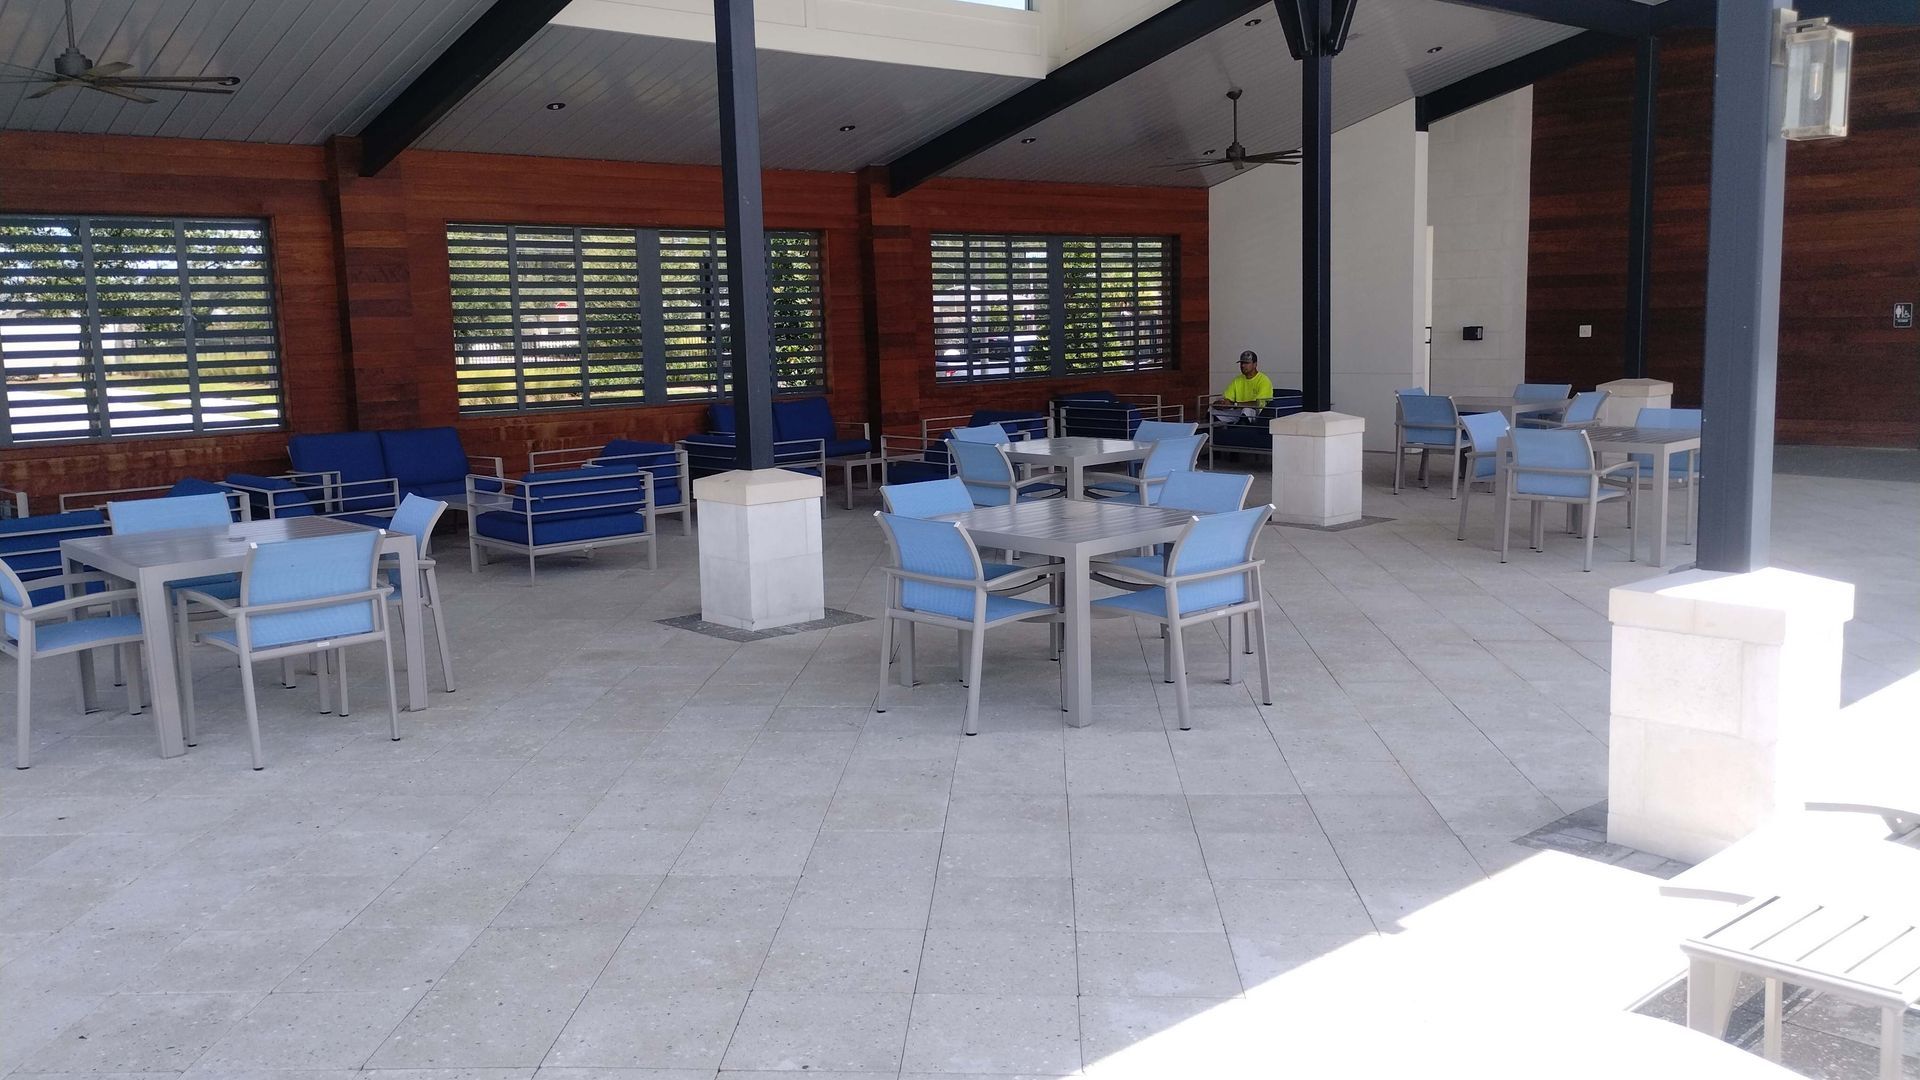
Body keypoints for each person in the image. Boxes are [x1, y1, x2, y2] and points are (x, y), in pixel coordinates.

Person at [1212, 350, 1273, 423]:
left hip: (1258, 413)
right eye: (1241, 363)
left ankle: (1240, 431)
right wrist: (1221, 404)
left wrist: (1235, 404)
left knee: (1246, 410)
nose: (1242, 365)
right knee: (1212, 412)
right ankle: (1210, 433)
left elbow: (1259, 403)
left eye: (1246, 363)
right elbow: (1227, 399)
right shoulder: (1237, 380)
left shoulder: (1263, 380)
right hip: (1238, 411)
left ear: (1255, 364)